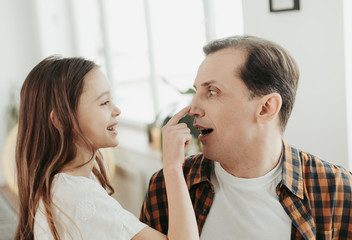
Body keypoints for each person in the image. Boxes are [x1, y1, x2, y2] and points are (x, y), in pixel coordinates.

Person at [140, 35, 352, 239]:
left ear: (266, 108)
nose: (193, 108)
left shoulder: (337, 190)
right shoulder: (167, 184)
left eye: (212, 92)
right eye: (197, 91)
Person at [14, 56, 199, 240]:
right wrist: (173, 166)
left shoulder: (61, 184)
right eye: (104, 102)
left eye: (112, 99)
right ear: (62, 120)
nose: (117, 110)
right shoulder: (79, 195)